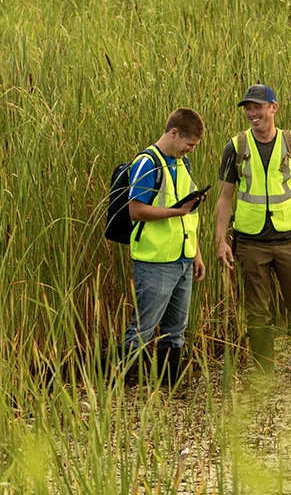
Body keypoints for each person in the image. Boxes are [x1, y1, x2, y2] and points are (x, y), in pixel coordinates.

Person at [215, 84, 291, 373]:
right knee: (256, 311)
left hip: (289, 239)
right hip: (250, 243)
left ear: (273, 107)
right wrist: (220, 241)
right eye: (247, 108)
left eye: (257, 106)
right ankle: (264, 371)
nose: (252, 113)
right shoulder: (236, 147)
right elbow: (225, 197)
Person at [122, 108, 208, 385]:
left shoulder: (183, 164)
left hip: (183, 259)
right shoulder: (147, 163)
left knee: (176, 331)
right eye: (189, 144)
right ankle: (124, 389)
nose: (191, 150)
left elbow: (190, 213)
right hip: (154, 260)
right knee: (142, 329)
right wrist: (178, 212)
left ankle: (169, 388)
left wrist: (196, 254)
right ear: (174, 133)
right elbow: (135, 211)